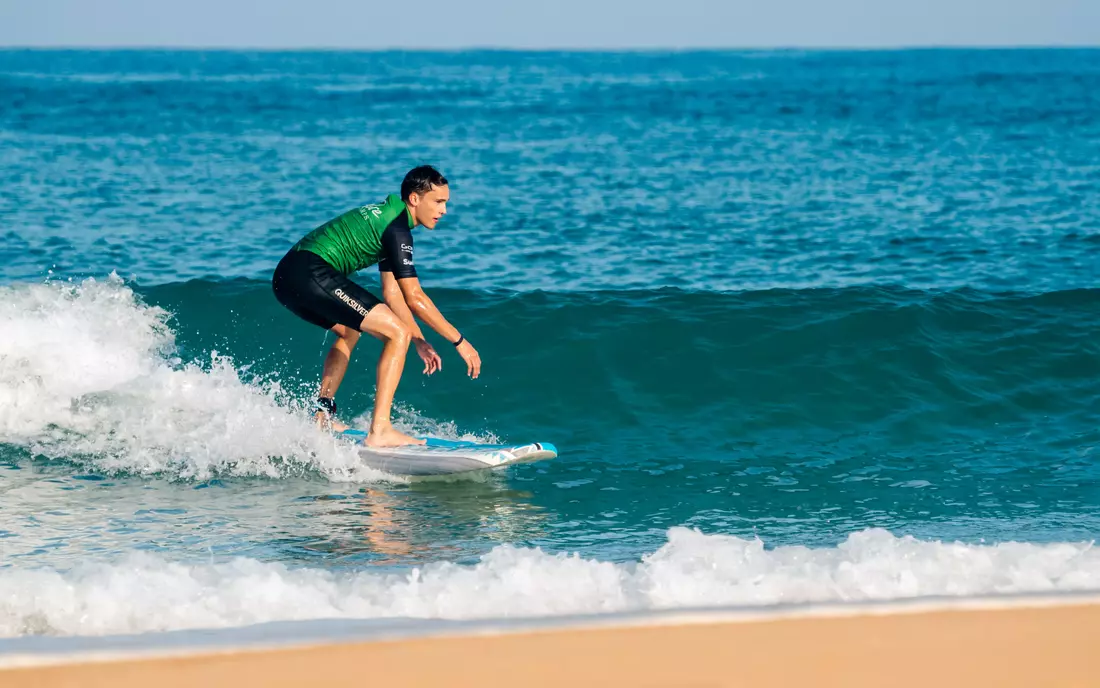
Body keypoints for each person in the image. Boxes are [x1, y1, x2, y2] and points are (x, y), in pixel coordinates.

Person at [271, 165, 481, 447]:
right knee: (396, 334)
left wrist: (418, 339)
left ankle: (322, 414)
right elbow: (415, 297)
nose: (444, 210)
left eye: (446, 203)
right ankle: (380, 430)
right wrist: (459, 341)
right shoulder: (397, 229)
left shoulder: (389, 219)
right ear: (415, 199)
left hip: (287, 277)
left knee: (350, 331)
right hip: (310, 272)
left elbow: (393, 294)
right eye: (439, 202)